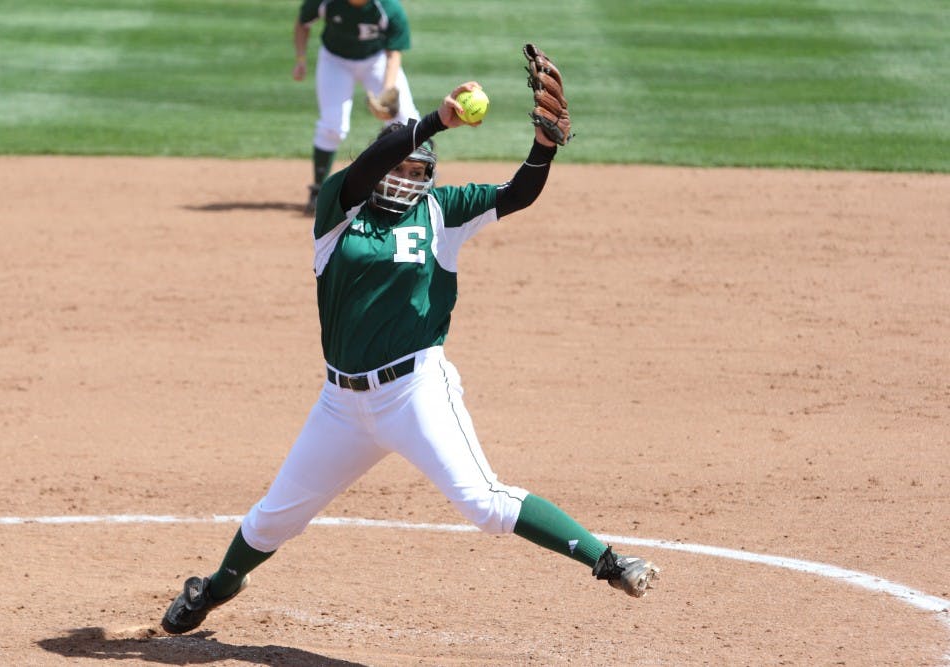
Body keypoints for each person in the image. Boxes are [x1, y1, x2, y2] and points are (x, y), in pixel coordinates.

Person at [161, 80, 659, 635]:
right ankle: (215, 588)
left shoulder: (442, 213)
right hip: (340, 406)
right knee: (272, 520)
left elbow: (517, 193)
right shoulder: (340, 210)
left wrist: (543, 148)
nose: (403, 177)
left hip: (414, 392)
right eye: (395, 167)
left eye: (416, 170)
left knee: (485, 504)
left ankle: (608, 561)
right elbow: (369, 163)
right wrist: (435, 122)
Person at [293, 0, 420, 216]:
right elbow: (302, 23)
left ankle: (417, 186)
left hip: (376, 60)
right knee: (332, 126)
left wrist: (387, 90)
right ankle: (318, 191)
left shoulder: (388, 8)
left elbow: (394, 52)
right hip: (335, 61)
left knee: (406, 118)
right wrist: (301, 59)